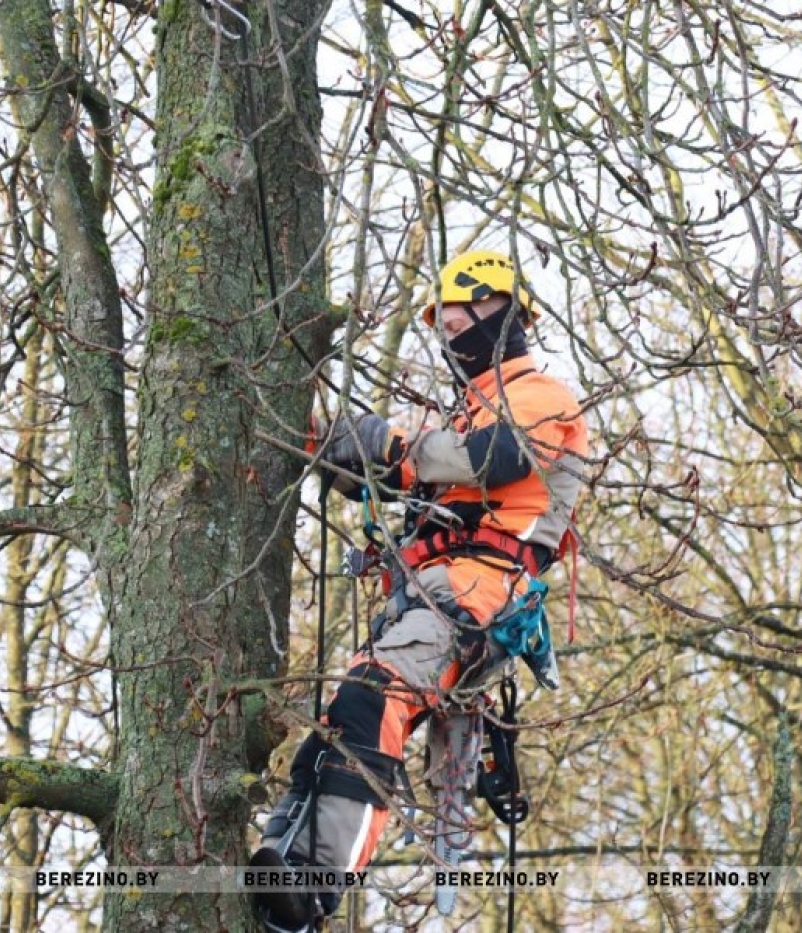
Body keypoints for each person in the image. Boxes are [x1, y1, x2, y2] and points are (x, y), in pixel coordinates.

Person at [250, 251, 590, 932]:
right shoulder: (466, 413)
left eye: (463, 318)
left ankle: (315, 886)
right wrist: (323, 440)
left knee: (372, 704)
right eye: (445, 323)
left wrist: (388, 447)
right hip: (428, 597)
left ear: (502, 313)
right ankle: (279, 860)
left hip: (476, 595)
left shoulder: (541, 398)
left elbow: (488, 460)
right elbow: (405, 476)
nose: (452, 334)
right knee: (343, 718)